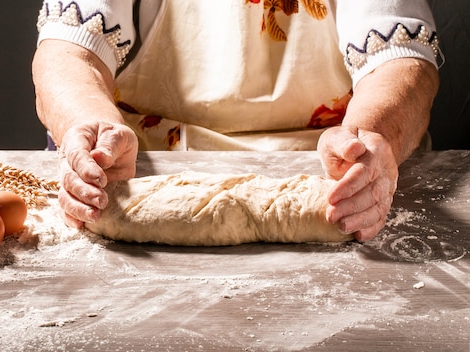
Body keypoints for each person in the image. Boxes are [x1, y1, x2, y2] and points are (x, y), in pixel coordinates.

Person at [32, 0, 440, 242]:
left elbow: (401, 62)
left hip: (328, 171)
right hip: (136, 169)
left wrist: (369, 138)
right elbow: (68, 52)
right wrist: (92, 126)